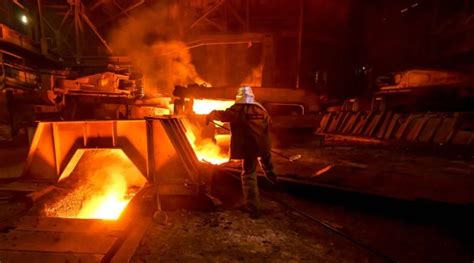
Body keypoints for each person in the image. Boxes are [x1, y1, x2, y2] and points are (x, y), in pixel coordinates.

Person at [206, 86, 277, 218]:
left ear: (239, 97)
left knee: (249, 175)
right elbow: (270, 124)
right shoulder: (261, 109)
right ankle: (277, 185)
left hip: (250, 147)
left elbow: (222, 115)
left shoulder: (238, 109)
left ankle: (253, 208)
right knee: (268, 166)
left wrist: (210, 114)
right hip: (264, 144)